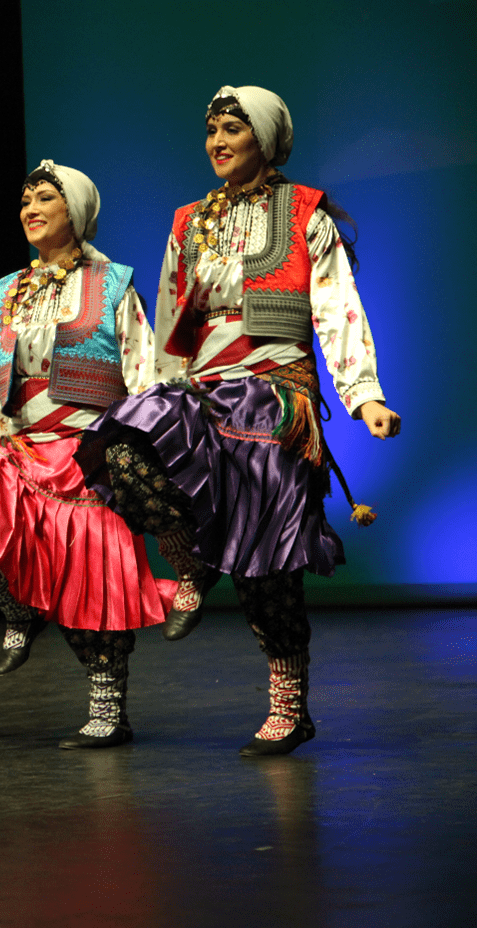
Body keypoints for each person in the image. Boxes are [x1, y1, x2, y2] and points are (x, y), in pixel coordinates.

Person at [75, 86, 401, 755]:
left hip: (275, 395)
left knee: (267, 563)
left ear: (265, 139)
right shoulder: (191, 221)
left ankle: (289, 704)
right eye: (211, 131)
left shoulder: (304, 213)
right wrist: (157, 403)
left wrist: (364, 395)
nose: (217, 142)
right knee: (125, 449)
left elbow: (337, 308)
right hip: (204, 389)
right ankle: (189, 561)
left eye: (232, 129)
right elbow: (169, 323)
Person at [0, 162, 173, 749]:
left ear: (74, 209)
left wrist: (127, 443)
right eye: (25, 200)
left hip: (85, 448)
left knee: (92, 579)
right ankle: (17, 608)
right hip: (21, 446)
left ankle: (107, 709)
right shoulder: (9, 288)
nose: (31, 208)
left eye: (45, 198)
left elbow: (142, 370)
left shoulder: (113, 282)